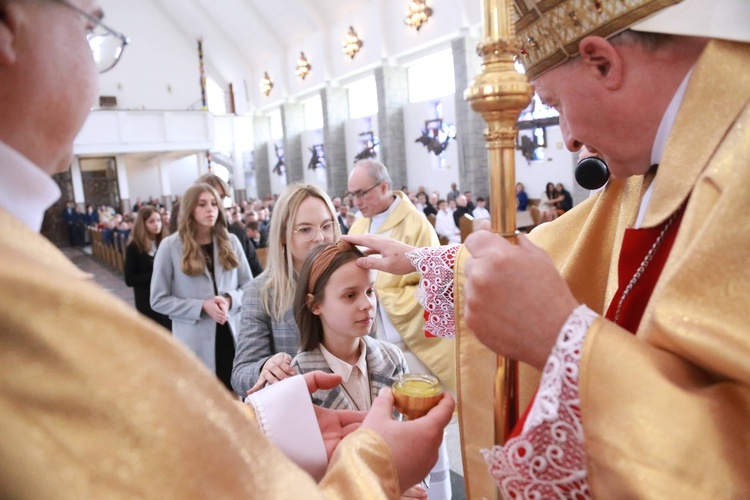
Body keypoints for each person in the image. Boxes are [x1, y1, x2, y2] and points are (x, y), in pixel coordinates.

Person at [0, 0, 454, 496]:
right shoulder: (267, 288)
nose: (324, 237)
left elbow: (420, 316)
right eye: (88, 26)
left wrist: (406, 284)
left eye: (330, 222)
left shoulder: (394, 242)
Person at [345, 0, 750, 496]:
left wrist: (562, 337)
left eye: (555, 105)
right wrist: (427, 260)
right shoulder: (660, 157)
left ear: (603, 61)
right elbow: (565, 246)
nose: (570, 139)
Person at [347, 159, 453, 500]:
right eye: (351, 195)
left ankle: (433, 490)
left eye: (361, 193)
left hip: (408, 341)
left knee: (421, 420)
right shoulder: (359, 222)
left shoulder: (415, 223)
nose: (357, 202)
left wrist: (382, 297)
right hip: (373, 339)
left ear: (383, 187)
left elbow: (435, 284)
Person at [291, 241, 429, 500]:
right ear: (314, 304)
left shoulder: (391, 357)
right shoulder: (297, 377)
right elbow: (306, 474)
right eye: (350, 295)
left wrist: (409, 480)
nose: (367, 304)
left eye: (370, 291)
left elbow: (412, 434)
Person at [232, 183, 340, 394]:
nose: (320, 237)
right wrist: (266, 367)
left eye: (327, 226)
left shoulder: (350, 279)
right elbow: (241, 373)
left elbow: (371, 347)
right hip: (299, 408)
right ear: (282, 236)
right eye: (305, 229)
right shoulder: (261, 292)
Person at [151, 183, 252, 391]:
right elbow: (158, 300)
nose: (210, 209)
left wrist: (230, 300)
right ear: (190, 209)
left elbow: (250, 286)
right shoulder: (170, 246)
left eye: (214, 204)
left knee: (239, 395)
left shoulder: (231, 241)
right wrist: (202, 306)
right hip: (195, 338)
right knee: (206, 396)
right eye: (202, 204)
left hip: (232, 331)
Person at [124, 205, 170, 330]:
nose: (157, 224)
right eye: (151, 221)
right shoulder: (134, 247)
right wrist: (155, 275)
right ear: (142, 224)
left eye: (159, 220)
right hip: (146, 299)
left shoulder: (166, 243)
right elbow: (129, 279)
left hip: (167, 297)